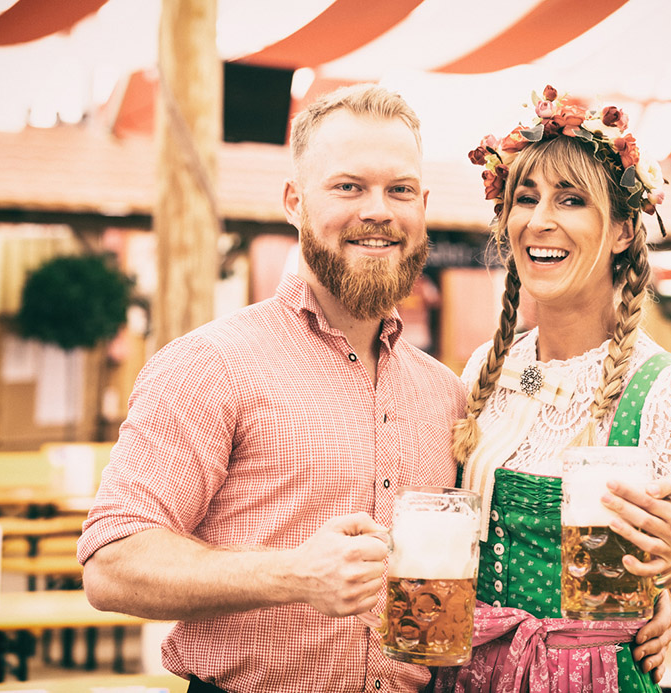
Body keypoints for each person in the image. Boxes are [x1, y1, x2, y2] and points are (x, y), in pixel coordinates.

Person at [77, 84, 466, 692]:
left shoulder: (445, 393)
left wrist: (641, 613)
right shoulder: (211, 364)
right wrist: (292, 575)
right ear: (294, 201)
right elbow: (110, 564)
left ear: (423, 206)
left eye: (400, 189)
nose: (378, 211)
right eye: (348, 186)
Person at [438, 85, 671, 691]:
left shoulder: (669, 394)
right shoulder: (486, 366)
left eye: (572, 199)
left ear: (620, 232)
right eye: (525, 198)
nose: (540, 220)